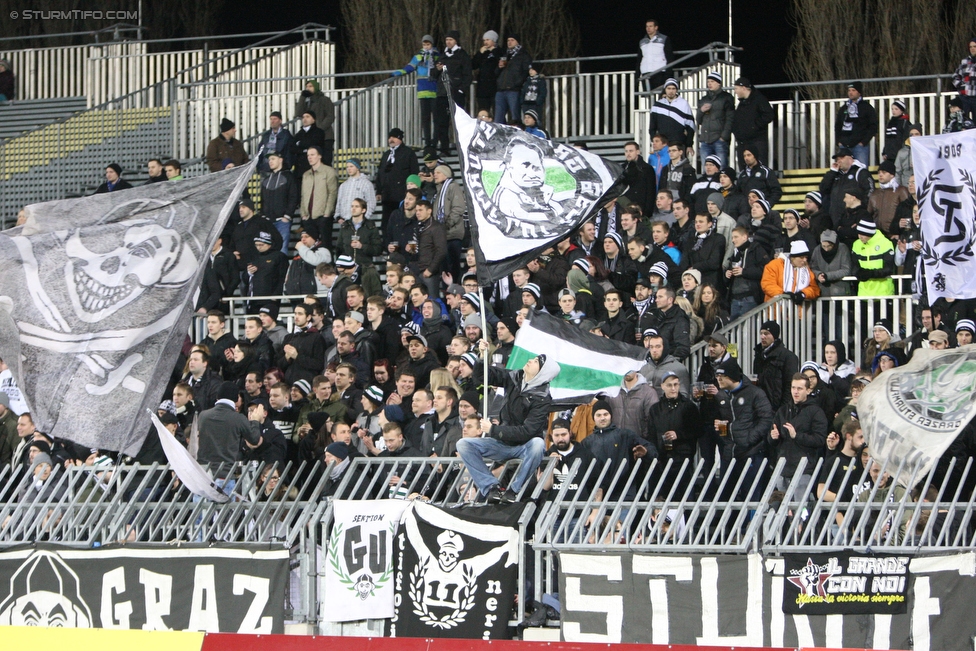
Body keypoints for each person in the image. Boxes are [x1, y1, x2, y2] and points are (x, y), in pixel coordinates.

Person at [455, 343, 558, 502]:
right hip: (502, 444)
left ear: (542, 372)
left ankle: (515, 490)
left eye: (536, 361)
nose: (530, 360)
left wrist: (493, 430)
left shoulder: (543, 398)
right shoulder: (515, 377)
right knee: (463, 444)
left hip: (525, 446)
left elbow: (528, 431)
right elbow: (483, 378)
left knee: (538, 444)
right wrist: (482, 358)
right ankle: (491, 487)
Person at [713, 359, 773, 499]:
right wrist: (722, 431)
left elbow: (766, 419)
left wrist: (750, 438)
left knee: (751, 497)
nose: (718, 379)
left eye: (722, 376)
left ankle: (751, 522)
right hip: (730, 453)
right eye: (717, 376)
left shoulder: (755, 393)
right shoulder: (721, 395)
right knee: (726, 497)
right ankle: (728, 522)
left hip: (751, 453)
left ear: (732, 377)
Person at [768, 373, 829, 493]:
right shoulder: (783, 411)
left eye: (800, 388)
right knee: (782, 508)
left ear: (807, 390)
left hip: (804, 469)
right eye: (793, 388)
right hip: (782, 468)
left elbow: (820, 439)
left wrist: (797, 436)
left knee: (801, 508)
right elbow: (771, 439)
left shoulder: (816, 412)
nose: (795, 392)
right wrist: (773, 437)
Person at [197, 382, 262, 488]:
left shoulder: (203, 416)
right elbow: (254, 439)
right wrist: (255, 421)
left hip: (203, 476)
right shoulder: (238, 418)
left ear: (217, 396)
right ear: (237, 399)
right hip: (224, 476)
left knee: (199, 505)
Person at [392, 35, 440, 148]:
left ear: (432, 45)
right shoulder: (418, 57)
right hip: (423, 91)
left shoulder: (437, 55)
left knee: (437, 119)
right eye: (424, 44)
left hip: (435, 90)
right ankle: (427, 142)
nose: (426, 46)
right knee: (425, 119)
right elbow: (409, 67)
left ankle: (435, 141)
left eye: (428, 44)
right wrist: (398, 72)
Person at [430, 30, 473, 156]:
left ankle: (461, 147)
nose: (448, 42)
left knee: (458, 122)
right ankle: (444, 149)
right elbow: (433, 74)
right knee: (441, 122)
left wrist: (461, 90)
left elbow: (467, 75)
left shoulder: (462, 55)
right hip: (442, 93)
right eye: (447, 39)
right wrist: (436, 70)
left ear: (456, 41)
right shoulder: (443, 55)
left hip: (456, 94)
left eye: (451, 39)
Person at [819, 146, 874, 231]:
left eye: (841, 158)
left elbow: (870, 191)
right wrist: (832, 172)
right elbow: (823, 188)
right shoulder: (835, 174)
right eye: (837, 159)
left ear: (850, 159)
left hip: (853, 218)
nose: (838, 161)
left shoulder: (860, 172)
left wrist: (862, 211)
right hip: (834, 218)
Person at [376, 128, 420, 231]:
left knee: (400, 222)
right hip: (387, 196)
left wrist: (411, 191)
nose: (391, 139)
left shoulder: (408, 153)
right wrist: (378, 190)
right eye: (390, 137)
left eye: (394, 137)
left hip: (402, 196)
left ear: (400, 138)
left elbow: (414, 172)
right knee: (386, 224)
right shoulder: (386, 155)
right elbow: (380, 173)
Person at [754, 320, 799, 411]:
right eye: (761, 333)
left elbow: (789, 385)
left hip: (777, 408)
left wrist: (783, 409)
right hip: (760, 407)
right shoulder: (759, 355)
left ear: (774, 336)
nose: (763, 336)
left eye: (766, 333)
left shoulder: (788, 356)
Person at [260, 151, 300, 255]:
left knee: (281, 250)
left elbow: (293, 197)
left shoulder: (289, 177)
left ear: (280, 159)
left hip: (282, 221)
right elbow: (262, 200)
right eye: (269, 160)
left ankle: (282, 271)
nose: (270, 161)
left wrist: (287, 216)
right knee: (268, 251)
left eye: (273, 159)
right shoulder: (266, 179)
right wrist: (263, 216)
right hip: (268, 222)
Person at [724, 226, 769, 318]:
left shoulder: (756, 249)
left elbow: (765, 270)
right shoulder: (735, 253)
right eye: (732, 237)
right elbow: (729, 272)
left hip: (750, 297)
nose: (733, 240)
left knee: (748, 329)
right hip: (734, 298)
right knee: (735, 330)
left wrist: (744, 272)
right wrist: (727, 274)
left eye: (736, 237)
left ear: (745, 237)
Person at [731, 77, 775, 167]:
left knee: (759, 169)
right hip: (743, 143)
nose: (735, 91)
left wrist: (754, 127)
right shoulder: (742, 103)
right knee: (744, 171)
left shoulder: (759, 99)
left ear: (743, 88)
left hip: (757, 142)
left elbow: (769, 115)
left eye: (736, 89)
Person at [761, 240, 820, 305]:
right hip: (775, 310)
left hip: (797, 311)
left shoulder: (806, 269)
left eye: (806, 257)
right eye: (801, 257)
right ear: (793, 258)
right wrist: (783, 294)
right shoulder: (774, 265)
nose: (805, 260)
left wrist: (803, 294)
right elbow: (767, 284)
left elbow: (814, 289)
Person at [696, 72, 734, 167]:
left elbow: (730, 118)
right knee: (707, 169)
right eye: (708, 81)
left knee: (722, 168)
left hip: (719, 139)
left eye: (712, 81)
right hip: (705, 140)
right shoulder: (704, 99)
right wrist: (701, 110)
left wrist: (724, 137)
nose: (709, 84)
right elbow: (698, 120)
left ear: (719, 83)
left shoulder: (726, 98)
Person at [834, 82, 878, 165]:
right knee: (842, 170)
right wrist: (838, 141)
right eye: (849, 90)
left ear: (859, 92)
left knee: (861, 171)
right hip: (844, 145)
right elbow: (838, 125)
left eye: (853, 90)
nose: (850, 92)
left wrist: (863, 142)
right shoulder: (843, 108)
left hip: (859, 146)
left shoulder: (866, 107)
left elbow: (873, 126)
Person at [648, 78, 695, 155]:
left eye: (673, 88)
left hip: (679, 144)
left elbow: (691, 126)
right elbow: (652, 127)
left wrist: (689, 145)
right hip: (662, 144)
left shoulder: (684, 104)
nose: (671, 91)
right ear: (665, 89)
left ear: (677, 90)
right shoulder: (657, 105)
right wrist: (655, 143)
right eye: (669, 88)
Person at [295, 80, 335, 165]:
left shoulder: (324, 99)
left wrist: (319, 130)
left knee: (325, 160)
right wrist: (302, 97)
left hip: (325, 136)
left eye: (310, 86)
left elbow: (330, 116)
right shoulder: (307, 102)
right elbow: (298, 113)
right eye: (307, 87)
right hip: (313, 136)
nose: (308, 88)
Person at [495, 33, 532, 125]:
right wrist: (499, 67)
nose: (509, 42)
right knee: (498, 118)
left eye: (512, 40)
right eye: (508, 40)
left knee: (515, 117)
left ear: (517, 42)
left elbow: (525, 72)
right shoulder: (505, 55)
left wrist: (517, 84)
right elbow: (495, 73)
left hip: (513, 90)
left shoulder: (523, 55)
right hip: (501, 89)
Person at [852, 219, 895, 297]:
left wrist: (870, 273)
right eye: (859, 233)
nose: (860, 237)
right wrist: (858, 272)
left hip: (884, 293)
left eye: (863, 234)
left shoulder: (885, 243)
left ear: (870, 233)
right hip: (863, 294)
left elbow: (888, 269)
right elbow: (854, 266)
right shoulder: (856, 245)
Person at [868, 159, 911, 238]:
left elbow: (908, 213)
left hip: (895, 235)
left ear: (892, 175)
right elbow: (868, 215)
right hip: (877, 236)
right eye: (879, 172)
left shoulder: (901, 191)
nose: (880, 175)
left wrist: (906, 235)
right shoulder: (874, 193)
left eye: (884, 172)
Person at [810, 229, 854, 298]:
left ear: (834, 243)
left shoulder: (843, 249)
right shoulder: (817, 250)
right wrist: (818, 275)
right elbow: (813, 268)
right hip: (822, 292)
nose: (826, 249)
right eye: (824, 246)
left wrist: (827, 276)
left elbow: (846, 270)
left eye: (829, 246)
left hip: (841, 293)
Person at [335, 158, 377, 226]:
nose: (349, 169)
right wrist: (338, 217)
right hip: (345, 222)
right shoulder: (343, 185)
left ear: (357, 168)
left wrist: (364, 218)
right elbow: (339, 202)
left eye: (351, 166)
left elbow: (371, 203)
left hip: (360, 223)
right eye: (347, 167)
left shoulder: (366, 184)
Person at [291, 110, 327, 183]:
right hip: (299, 170)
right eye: (303, 117)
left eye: (307, 117)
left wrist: (300, 144)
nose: (304, 119)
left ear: (313, 119)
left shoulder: (319, 132)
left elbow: (314, 144)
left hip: (313, 168)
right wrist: (303, 150)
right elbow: (292, 148)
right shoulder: (298, 134)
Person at [637, 19, 674, 92]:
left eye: (650, 26)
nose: (648, 28)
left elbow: (669, 56)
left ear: (656, 27)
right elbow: (639, 59)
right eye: (647, 26)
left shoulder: (664, 38)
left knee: (659, 95)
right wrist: (637, 75)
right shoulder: (642, 41)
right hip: (645, 72)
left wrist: (668, 73)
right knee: (647, 96)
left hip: (659, 71)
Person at [472, 31, 502, 114]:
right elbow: (473, 65)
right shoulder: (483, 52)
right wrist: (479, 53)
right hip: (482, 88)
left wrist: (494, 51)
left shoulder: (499, 51)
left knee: (497, 112)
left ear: (493, 40)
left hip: (494, 87)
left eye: (488, 39)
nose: (485, 42)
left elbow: (501, 62)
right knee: (483, 111)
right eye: (484, 40)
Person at [951, 38, 976, 122]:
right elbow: (955, 76)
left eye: (974, 46)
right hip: (964, 97)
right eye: (970, 47)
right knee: (962, 121)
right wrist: (961, 86)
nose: (972, 48)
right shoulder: (965, 61)